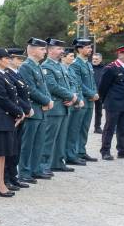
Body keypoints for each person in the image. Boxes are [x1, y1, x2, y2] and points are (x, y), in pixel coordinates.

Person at [0, 49, 26, 196]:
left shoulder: (4, 75)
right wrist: (19, 111)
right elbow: (2, 99)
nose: (9, 60)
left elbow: (11, 97)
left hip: (6, 119)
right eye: (6, 58)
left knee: (3, 153)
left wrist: (18, 111)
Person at [17, 37, 53, 182]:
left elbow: (44, 87)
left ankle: (36, 169)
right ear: (31, 50)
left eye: (45, 49)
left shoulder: (38, 65)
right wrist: (46, 100)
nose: (45, 51)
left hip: (42, 110)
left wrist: (49, 100)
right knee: (28, 143)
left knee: (39, 142)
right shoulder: (26, 66)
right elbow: (29, 89)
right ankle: (25, 172)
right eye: (42, 49)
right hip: (33, 110)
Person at [40, 40, 76, 174]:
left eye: (62, 49)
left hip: (65, 106)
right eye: (59, 48)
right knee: (49, 139)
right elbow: (52, 86)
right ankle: (43, 165)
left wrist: (72, 96)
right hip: (55, 108)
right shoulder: (46, 66)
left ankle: (58, 162)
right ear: (50, 50)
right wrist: (71, 96)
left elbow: (71, 83)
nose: (62, 51)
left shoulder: (61, 66)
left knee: (61, 137)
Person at [99, 44, 124, 159]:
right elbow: (102, 88)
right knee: (110, 128)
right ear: (120, 54)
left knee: (123, 127)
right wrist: (105, 102)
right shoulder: (110, 68)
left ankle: (122, 150)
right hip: (114, 103)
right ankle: (105, 151)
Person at [4, 48, 32, 189]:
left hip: (21, 115)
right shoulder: (7, 75)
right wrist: (26, 109)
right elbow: (13, 97)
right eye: (18, 59)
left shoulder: (17, 74)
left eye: (21, 59)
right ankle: (5, 178)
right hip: (15, 115)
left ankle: (13, 176)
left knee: (17, 147)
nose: (20, 61)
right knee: (10, 149)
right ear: (9, 59)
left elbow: (24, 94)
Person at [67, 38, 99, 163]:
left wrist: (95, 93)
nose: (90, 50)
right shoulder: (75, 64)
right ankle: (71, 153)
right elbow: (78, 83)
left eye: (90, 47)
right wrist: (91, 93)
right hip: (81, 100)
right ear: (79, 49)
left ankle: (81, 151)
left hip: (90, 101)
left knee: (84, 128)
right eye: (88, 47)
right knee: (75, 128)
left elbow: (92, 82)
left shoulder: (88, 63)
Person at [91, 51, 106, 133]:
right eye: (93, 59)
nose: (94, 60)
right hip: (89, 93)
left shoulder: (104, 68)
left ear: (100, 60)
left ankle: (97, 127)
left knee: (99, 111)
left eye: (96, 59)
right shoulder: (88, 67)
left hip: (99, 93)